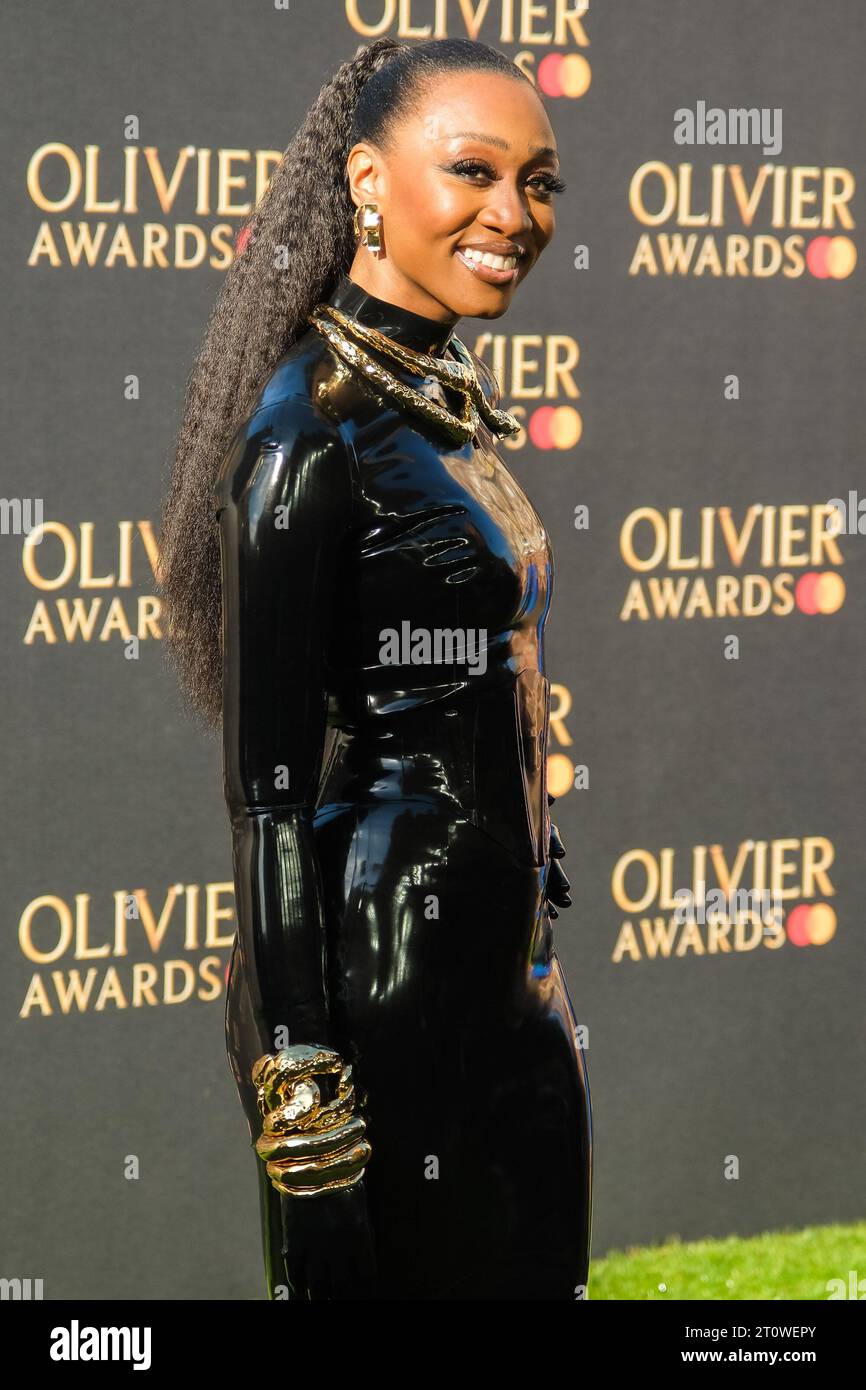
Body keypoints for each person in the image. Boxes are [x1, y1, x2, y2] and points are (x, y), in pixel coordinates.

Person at [158, 34, 592, 1301]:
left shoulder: (429, 397)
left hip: (506, 971)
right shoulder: (305, 438)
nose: (511, 216)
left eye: (539, 182)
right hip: (383, 977)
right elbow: (269, 801)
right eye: (471, 170)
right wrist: (304, 1099)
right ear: (363, 178)